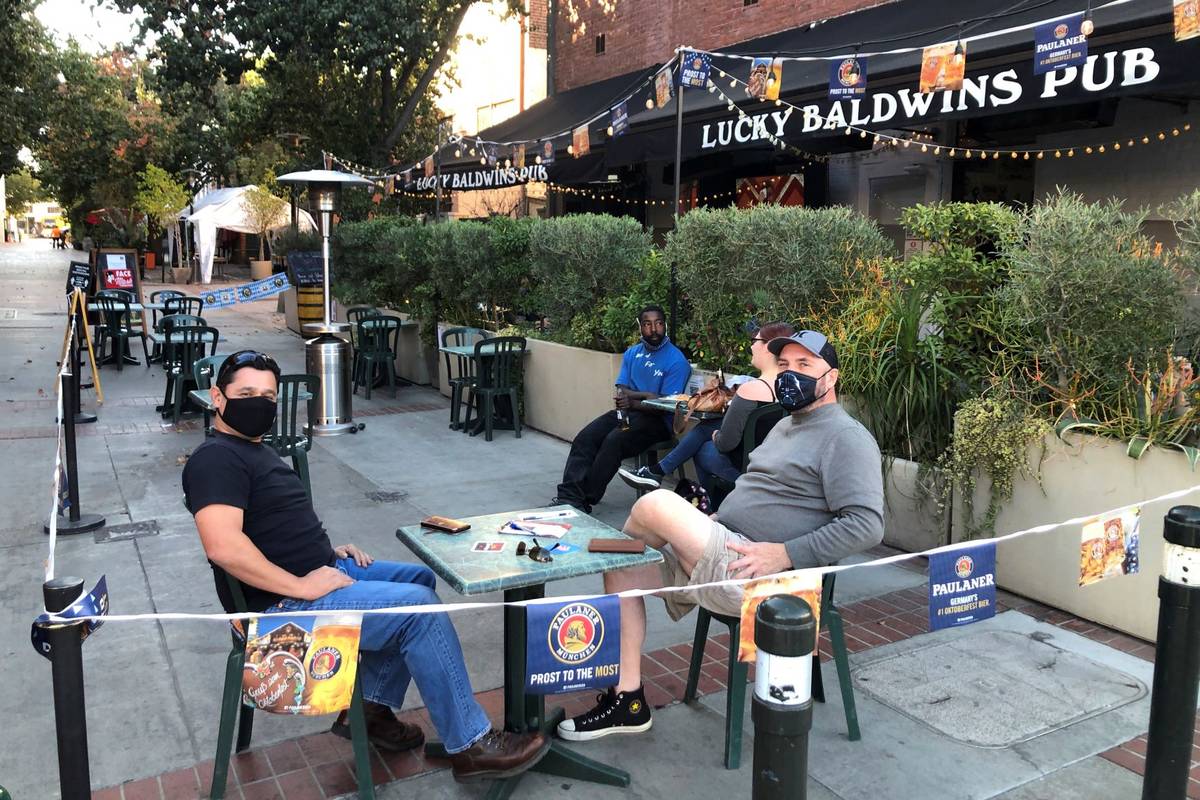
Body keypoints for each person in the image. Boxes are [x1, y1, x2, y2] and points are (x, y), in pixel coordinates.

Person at [182, 350, 550, 782]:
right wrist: (301, 585)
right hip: (279, 614)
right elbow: (223, 546)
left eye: (268, 395)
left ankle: (371, 709)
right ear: (217, 397)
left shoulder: (249, 449)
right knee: (418, 612)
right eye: (246, 393)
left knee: (419, 578)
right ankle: (470, 744)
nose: (259, 403)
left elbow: (267, 525)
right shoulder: (216, 459)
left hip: (315, 572)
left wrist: (323, 551)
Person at [556, 330, 884, 741]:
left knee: (653, 505)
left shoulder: (846, 437)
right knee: (624, 568)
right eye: (784, 365)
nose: (790, 375)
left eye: (805, 366)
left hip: (767, 580)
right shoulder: (786, 426)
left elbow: (868, 524)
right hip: (726, 548)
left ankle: (615, 568)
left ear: (830, 378)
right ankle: (628, 699)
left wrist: (785, 554)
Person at [617, 321, 794, 493]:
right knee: (706, 429)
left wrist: (717, 436)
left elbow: (726, 444)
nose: (751, 346)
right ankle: (657, 472)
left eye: (755, 341)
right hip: (776, 467)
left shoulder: (750, 390)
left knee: (703, 447)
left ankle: (710, 504)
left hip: (747, 470)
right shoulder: (792, 387)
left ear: (769, 347)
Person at [552, 305, 691, 512]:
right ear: (640, 327)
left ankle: (584, 499)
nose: (654, 329)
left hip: (658, 423)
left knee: (613, 441)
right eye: (647, 324)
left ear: (665, 326)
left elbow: (664, 405)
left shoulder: (676, 360)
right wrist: (644, 396)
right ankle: (568, 497)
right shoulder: (632, 353)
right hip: (627, 413)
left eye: (659, 323)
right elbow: (622, 389)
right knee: (586, 437)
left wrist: (634, 400)